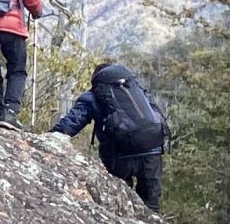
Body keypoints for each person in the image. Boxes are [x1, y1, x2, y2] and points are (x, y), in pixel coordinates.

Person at [48, 61, 170, 210]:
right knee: (151, 205)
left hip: (119, 155)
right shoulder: (137, 90)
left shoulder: (93, 95)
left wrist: (48, 138)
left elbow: (71, 123)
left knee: (119, 203)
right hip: (152, 149)